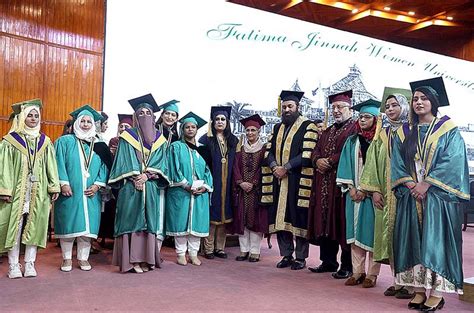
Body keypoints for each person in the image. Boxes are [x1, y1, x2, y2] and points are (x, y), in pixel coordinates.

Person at [391, 77, 470, 311]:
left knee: (436, 243)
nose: (419, 102)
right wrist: (410, 185)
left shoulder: (449, 129)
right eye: (415, 98)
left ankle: (436, 293)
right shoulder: (404, 132)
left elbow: (452, 161)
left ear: (434, 102)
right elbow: (397, 162)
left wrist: (426, 185)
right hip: (411, 196)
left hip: (438, 198)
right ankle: (418, 290)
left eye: (424, 98)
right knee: (412, 241)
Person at [359, 87, 413, 298]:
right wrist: (373, 191)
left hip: (406, 196)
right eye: (387, 106)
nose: (390, 109)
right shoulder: (384, 133)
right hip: (385, 194)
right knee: (389, 238)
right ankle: (398, 280)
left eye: (395, 105)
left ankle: (410, 283)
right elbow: (372, 162)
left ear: (405, 106)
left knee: (406, 237)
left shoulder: (413, 131)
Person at [109, 93, 169, 273]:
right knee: (130, 219)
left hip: (149, 186)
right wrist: (136, 176)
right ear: (135, 116)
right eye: (140, 113)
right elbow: (123, 160)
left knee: (148, 221)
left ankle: (146, 259)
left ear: (153, 116)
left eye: (148, 112)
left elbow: (162, 163)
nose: (144, 115)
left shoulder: (160, 139)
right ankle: (131, 261)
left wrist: (147, 176)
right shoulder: (127, 136)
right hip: (130, 185)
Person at [0, 99, 60, 278]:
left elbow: (51, 165)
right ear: (22, 117)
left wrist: (53, 185)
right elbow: (4, 168)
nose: (33, 118)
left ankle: (30, 263)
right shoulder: (10, 141)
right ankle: (13, 264)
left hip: (38, 190)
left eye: (36, 115)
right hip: (17, 192)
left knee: (35, 226)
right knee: (15, 227)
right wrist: (5, 189)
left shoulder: (45, 141)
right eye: (30, 115)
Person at [261, 90, 318, 270]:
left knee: (298, 217)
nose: (286, 109)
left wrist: (286, 167)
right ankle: (286, 255)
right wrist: (274, 167)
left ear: (297, 107)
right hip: (278, 180)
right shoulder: (277, 128)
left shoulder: (308, 126)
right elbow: (267, 152)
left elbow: (308, 153)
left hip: (297, 179)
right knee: (280, 220)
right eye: (284, 106)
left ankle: (301, 257)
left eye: (290, 106)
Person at [308, 90, 357, 279]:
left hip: (342, 184)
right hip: (323, 184)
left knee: (342, 224)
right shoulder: (327, 131)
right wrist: (317, 160)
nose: (336, 110)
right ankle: (328, 262)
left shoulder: (354, 129)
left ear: (350, 109)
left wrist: (330, 160)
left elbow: (349, 151)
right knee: (325, 222)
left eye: (340, 107)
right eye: (334, 107)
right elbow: (315, 151)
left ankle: (347, 265)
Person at [54, 105, 109, 272]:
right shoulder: (65, 141)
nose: (85, 124)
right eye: (82, 121)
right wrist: (63, 183)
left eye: (88, 122)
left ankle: (83, 258)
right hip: (71, 191)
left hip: (91, 192)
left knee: (88, 227)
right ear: (76, 123)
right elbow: (58, 162)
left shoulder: (99, 144)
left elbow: (105, 167)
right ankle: (66, 258)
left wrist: (97, 185)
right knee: (69, 224)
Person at [336, 99, 381, 288]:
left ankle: (372, 274)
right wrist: (352, 189)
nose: (362, 120)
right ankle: (357, 272)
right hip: (353, 194)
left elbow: (383, 168)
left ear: (376, 119)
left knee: (372, 233)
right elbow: (344, 164)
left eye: (367, 117)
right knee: (354, 233)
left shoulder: (381, 141)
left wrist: (368, 189)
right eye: (361, 116)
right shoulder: (352, 140)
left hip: (373, 196)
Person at [166, 112, 213, 266]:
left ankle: (193, 253)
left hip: (199, 192)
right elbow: (174, 168)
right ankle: (180, 253)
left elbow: (208, 171)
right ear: (182, 129)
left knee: (196, 224)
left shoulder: (203, 149)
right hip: (181, 191)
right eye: (187, 127)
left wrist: (205, 187)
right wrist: (186, 184)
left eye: (193, 127)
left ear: (197, 129)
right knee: (181, 223)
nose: (190, 129)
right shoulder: (176, 147)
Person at [199, 106, 238, 259]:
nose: (220, 122)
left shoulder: (233, 140)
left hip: (228, 184)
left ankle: (220, 248)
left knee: (224, 217)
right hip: (212, 182)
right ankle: (208, 249)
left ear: (227, 122)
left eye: (223, 119)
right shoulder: (205, 140)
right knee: (211, 216)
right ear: (213, 122)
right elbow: (201, 164)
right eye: (217, 119)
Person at [232, 114, 268, 262]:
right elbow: (235, 167)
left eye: (253, 130)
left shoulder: (264, 149)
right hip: (241, 191)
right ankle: (243, 250)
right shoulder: (240, 149)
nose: (250, 133)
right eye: (247, 130)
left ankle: (255, 251)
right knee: (242, 220)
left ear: (259, 132)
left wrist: (253, 182)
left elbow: (263, 168)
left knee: (256, 222)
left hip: (256, 191)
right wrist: (240, 182)